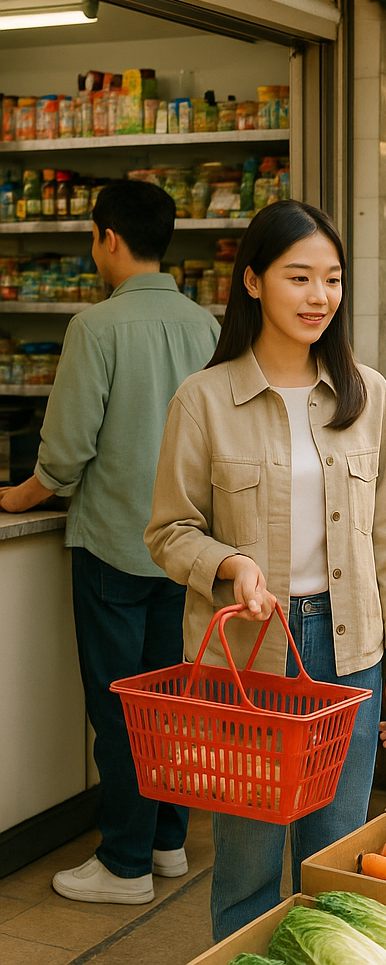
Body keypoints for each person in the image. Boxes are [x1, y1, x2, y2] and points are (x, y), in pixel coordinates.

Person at [144, 200, 386, 939]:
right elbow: (168, 532)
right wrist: (229, 561)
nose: (318, 297)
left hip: (349, 648)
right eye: (299, 277)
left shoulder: (369, 398)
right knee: (247, 865)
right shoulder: (203, 400)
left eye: (331, 280)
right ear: (253, 282)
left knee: (334, 859)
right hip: (247, 660)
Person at [0, 180, 220, 904]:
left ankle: (123, 864)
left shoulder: (96, 328)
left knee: (121, 707)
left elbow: (64, 452)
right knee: (169, 700)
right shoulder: (206, 326)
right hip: (188, 550)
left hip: (115, 549)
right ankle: (166, 843)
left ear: (109, 238)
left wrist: (17, 496)